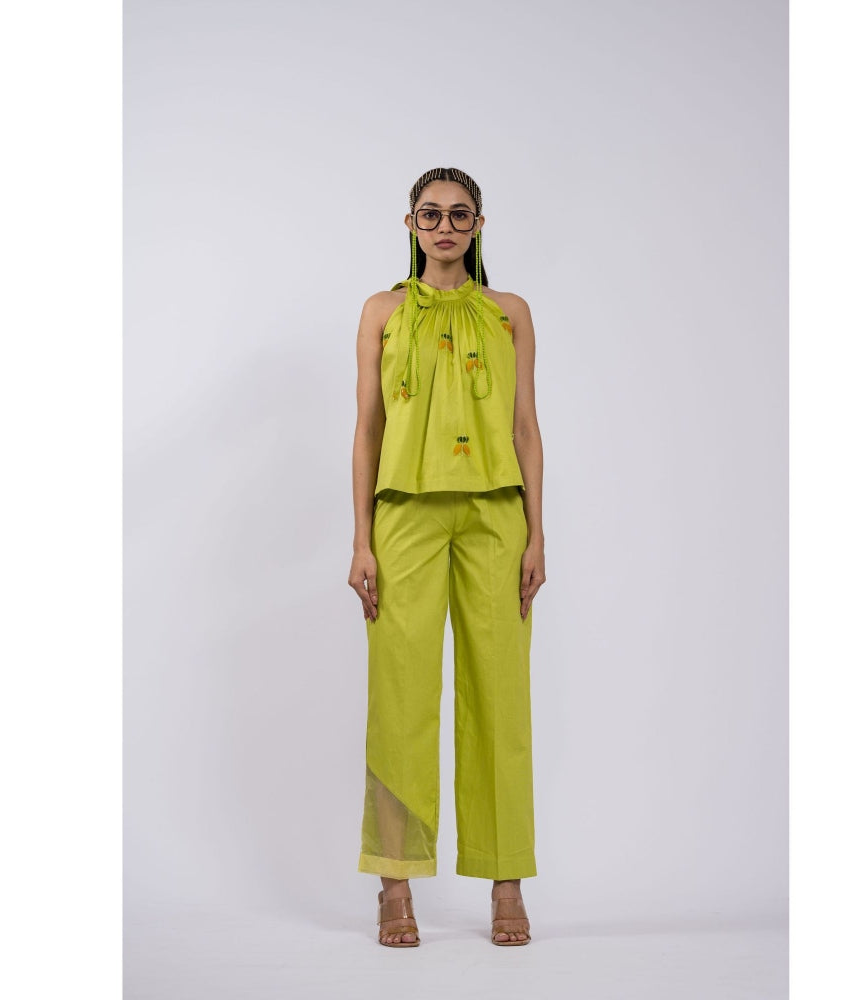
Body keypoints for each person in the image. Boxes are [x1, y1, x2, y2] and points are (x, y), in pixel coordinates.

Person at [348, 166, 546, 947]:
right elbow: (367, 428)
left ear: (479, 225)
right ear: (410, 223)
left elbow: (525, 426)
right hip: (403, 516)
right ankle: (394, 883)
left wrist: (537, 533)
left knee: (501, 696)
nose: (444, 227)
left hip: (497, 515)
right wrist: (360, 539)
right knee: (400, 695)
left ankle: (507, 880)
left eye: (460, 215)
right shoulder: (382, 310)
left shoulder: (509, 313)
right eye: (430, 214)